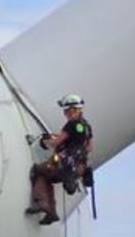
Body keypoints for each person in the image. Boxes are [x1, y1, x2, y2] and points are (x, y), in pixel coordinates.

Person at [27, 93, 94, 225]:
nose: (66, 113)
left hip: (63, 163)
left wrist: (45, 141)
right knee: (49, 178)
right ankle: (51, 210)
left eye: (68, 110)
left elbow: (56, 142)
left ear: (76, 109)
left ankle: (44, 204)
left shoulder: (71, 125)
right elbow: (89, 147)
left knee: (39, 171)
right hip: (79, 168)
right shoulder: (86, 127)